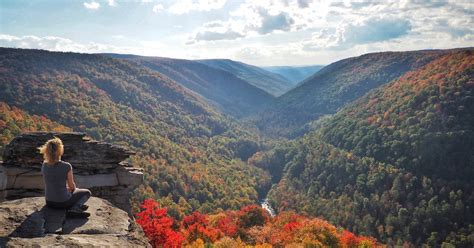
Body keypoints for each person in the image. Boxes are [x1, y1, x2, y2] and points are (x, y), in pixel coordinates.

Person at [39, 137, 91, 218]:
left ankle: (75, 206)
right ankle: (74, 208)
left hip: (49, 202)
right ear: (60, 150)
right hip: (63, 203)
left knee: (69, 191)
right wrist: (71, 190)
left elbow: (52, 181)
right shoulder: (66, 166)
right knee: (87, 192)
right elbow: (72, 187)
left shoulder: (44, 165)